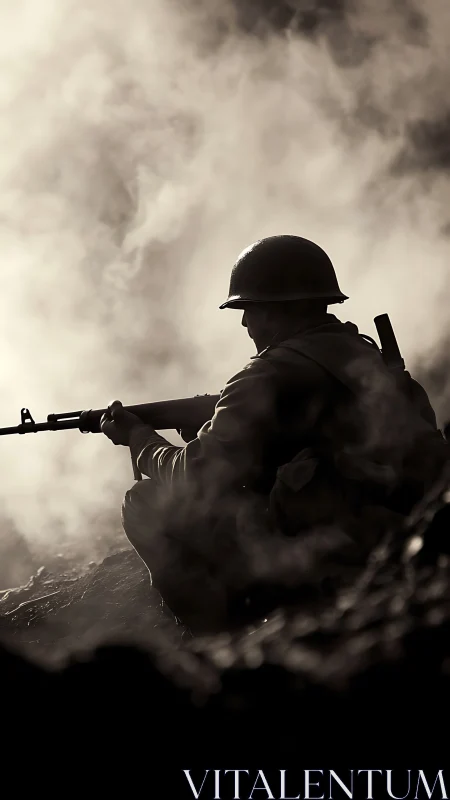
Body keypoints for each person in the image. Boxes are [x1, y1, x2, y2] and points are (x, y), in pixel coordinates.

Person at [101, 235, 448, 634]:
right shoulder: (365, 354)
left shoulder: (265, 375)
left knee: (144, 501)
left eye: (249, 309)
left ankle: (219, 638)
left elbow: (197, 476)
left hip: (325, 554)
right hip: (400, 534)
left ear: (274, 310)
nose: (246, 322)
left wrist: (140, 440)